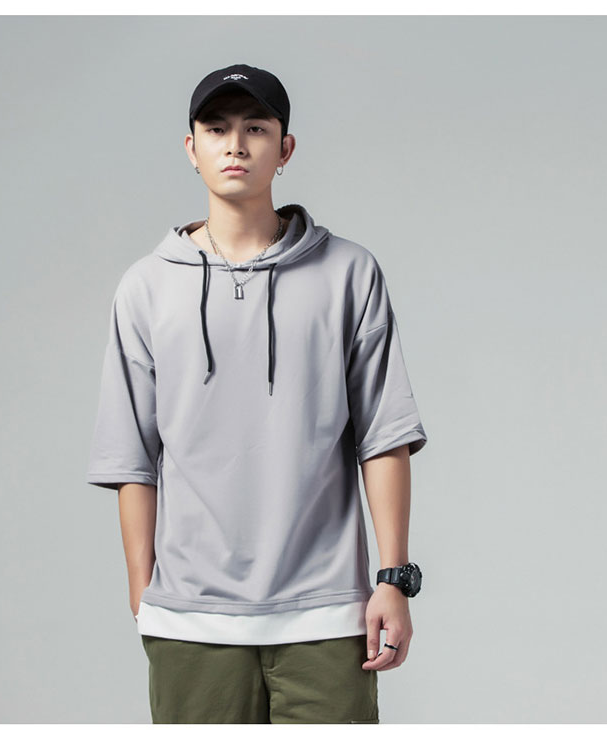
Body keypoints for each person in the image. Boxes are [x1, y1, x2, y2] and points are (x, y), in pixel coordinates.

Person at [85, 63, 428, 724]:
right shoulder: (146, 287)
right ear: (192, 148)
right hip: (191, 620)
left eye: (255, 129)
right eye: (217, 129)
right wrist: (142, 592)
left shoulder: (349, 273)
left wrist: (393, 579)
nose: (235, 145)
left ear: (285, 148)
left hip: (327, 614)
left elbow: (384, 435)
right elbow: (131, 455)